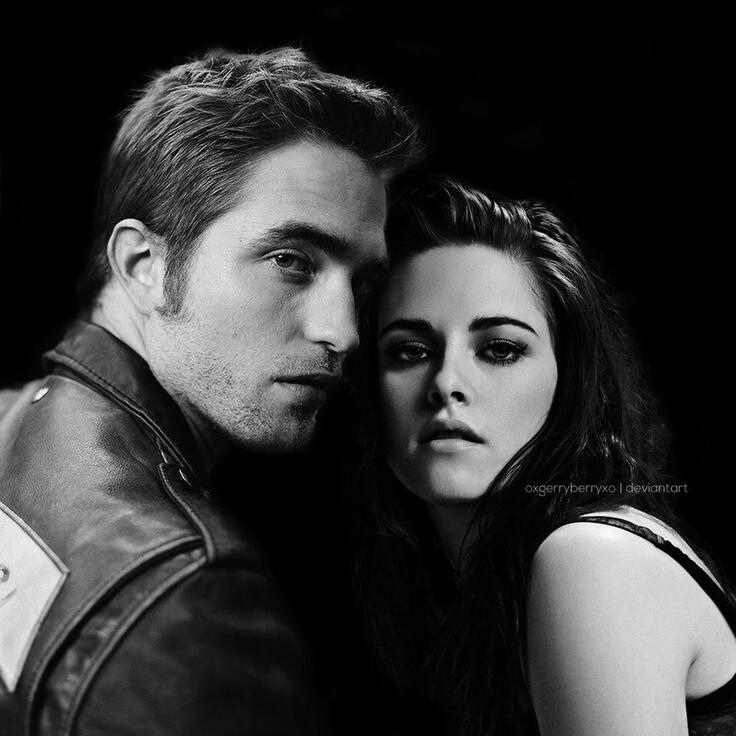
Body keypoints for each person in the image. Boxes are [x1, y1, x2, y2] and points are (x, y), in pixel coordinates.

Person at [0, 47, 420, 736]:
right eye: (291, 261)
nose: (344, 332)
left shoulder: (10, 421)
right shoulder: (185, 598)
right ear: (144, 264)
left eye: (363, 283)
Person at [351, 176, 736, 735]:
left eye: (500, 349)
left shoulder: (592, 558)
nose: (446, 383)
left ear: (568, 382)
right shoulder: (439, 599)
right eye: (410, 351)